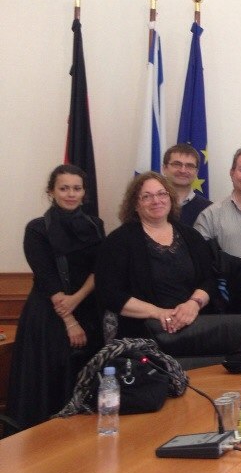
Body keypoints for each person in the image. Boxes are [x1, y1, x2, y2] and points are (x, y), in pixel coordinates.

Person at [7, 165, 104, 429]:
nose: (71, 194)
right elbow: (47, 278)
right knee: (49, 385)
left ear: (84, 192)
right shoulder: (37, 229)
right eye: (64, 188)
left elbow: (99, 269)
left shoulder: (95, 225)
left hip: (87, 309)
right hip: (49, 316)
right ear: (51, 191)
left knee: (83, 383)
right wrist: (70, 321)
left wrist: (78, 298)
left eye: (76, 188)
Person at [96, 172, 215, 340]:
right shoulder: (118, 241)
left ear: (170, 198)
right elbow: (110, 294)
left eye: (162, 194)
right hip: (143, 333)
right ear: (135, 205)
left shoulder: (191, 236)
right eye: (146, 196)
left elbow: (209, 279)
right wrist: (159, 313)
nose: (156, 201)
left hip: (193, 326)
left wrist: (193, 304)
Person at [161, 143, 211, 226]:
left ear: (196, 172)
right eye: (177, 164)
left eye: (190, 166)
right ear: (164, 168)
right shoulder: (152, 204)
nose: (183, 170)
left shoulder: (209, 209)